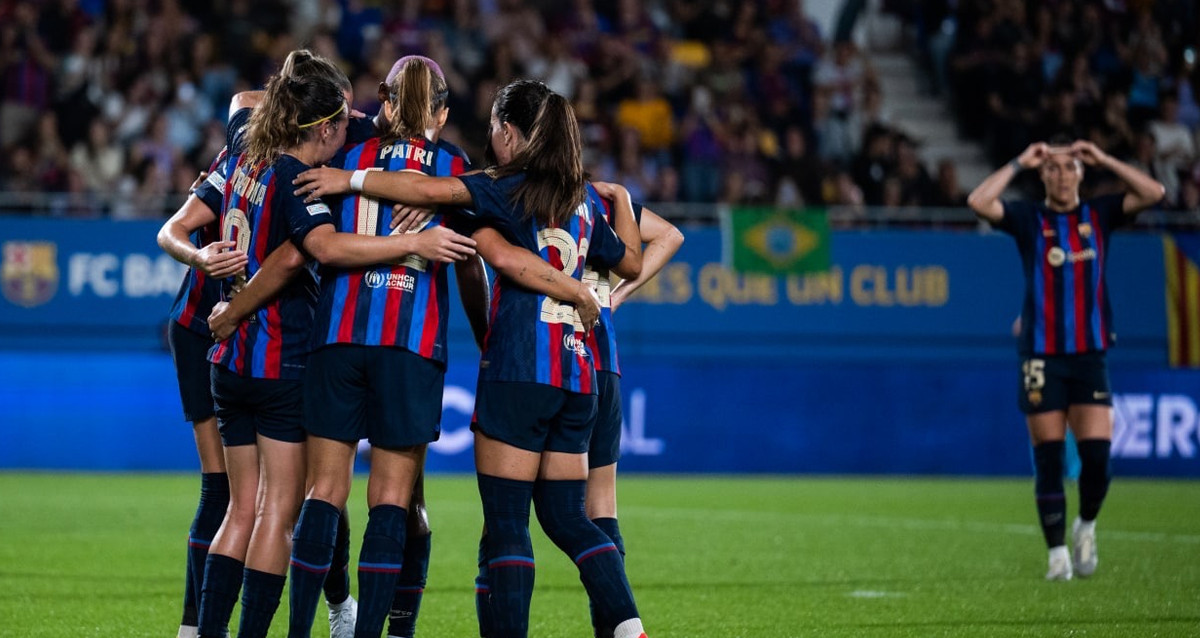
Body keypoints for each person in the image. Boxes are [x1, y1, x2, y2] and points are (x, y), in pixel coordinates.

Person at [294, 79, 651, 638]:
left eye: (494, 129)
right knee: (569, 518)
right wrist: (623, 201)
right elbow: (632, 262)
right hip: (579, 373)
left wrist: (351, 178)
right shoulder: (581, 197)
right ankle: (629, 627)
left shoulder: (498, 186)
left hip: (518, 363)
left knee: (508, 526)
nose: (489, 139)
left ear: (509, 132)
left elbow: (449, 204)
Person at [197, 72, 475, 638]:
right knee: (395, 500)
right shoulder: (453, 167)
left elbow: (251, 106)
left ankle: (296, 630)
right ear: (442, 114)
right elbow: (473, 256)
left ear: (383, 100)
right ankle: (375, 629)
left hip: (334, 338)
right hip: (408, 343)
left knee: (321, 493)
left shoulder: (347, 149)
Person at [157, 49, 368, 638]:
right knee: (279, 511)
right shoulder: (297, 179)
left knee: (237, 507)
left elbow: (244, 107)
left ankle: (207, 630)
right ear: (322, 126)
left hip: (229, 360)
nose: (346, 136)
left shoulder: (243, 155)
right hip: (280, 356)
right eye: (342, 126)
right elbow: (314, 252)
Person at [967, 137, 1164, 581]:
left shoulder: (1100, 214)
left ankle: (1086, 524)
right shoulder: (1027, 219)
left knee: (1098, 459)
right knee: (1050, 459)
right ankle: (1057, 554)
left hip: (1089, 354)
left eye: (1070, 167)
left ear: (1081, 173)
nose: (1062, 175)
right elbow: (978, 201)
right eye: (1053, 168)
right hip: (1040, 355)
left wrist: (1106, 158)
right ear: (1043, 176)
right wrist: (1018, 160)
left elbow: (1155, 194)